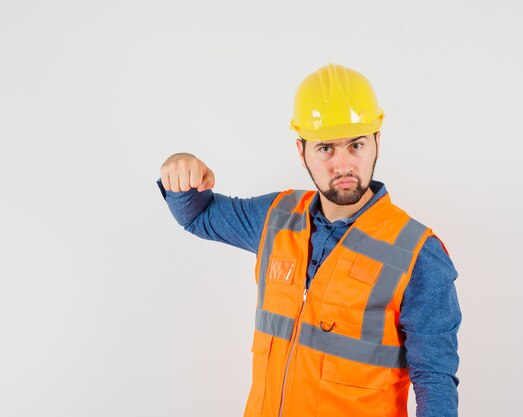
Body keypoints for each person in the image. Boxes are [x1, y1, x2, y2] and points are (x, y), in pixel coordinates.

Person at [156, 63, 461, 417]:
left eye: (356, 145)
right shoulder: (275, 217)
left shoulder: (418, 253)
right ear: (301, 152)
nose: (343, 165)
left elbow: (435, 383)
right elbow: (197, 215)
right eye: (326, 149)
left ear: (377, 142)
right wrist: (178, 168)